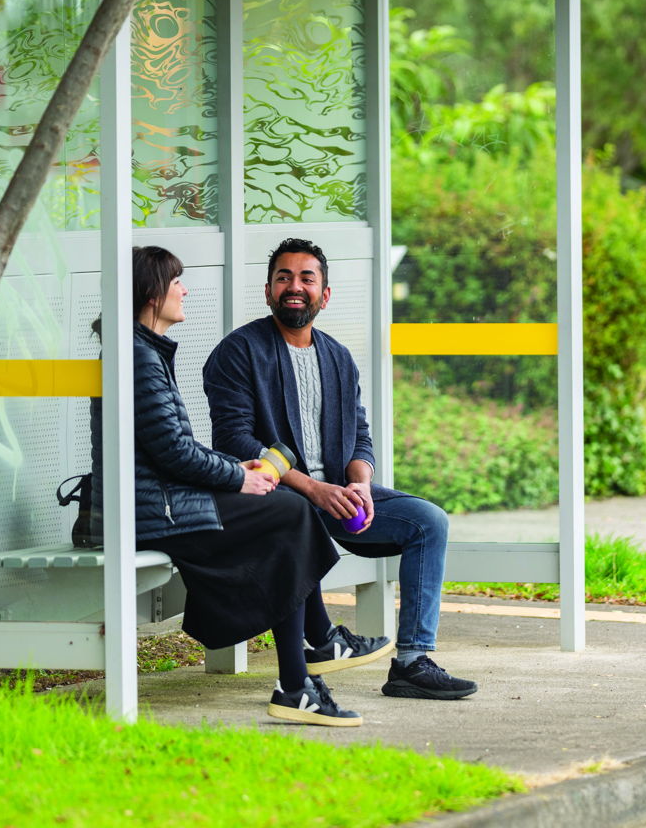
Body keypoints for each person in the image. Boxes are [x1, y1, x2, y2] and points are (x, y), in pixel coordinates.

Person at [93, 245, 360, 727]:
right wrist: (240, 477)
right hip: (152, 511)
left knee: (284, 512)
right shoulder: (135, 356)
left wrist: (242, 469)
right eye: (176, 282)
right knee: (289, 511)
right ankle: (305, 669)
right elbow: (173, 452)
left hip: (161, 502)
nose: (184, 290)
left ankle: (302, 675)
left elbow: (172, 447)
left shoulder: (144, 350)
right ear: (152, 292)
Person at [204, 238, 479, 700]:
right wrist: (313, 489)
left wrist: (360, 483)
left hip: (335, 496)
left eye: (306, 278)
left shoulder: (338, 358)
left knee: (429, 521)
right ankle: (320, 641)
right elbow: (234, 441)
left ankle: (412, 661)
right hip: (273, 499)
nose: (295, 286)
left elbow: (360, 439)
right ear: (268, 291)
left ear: (324, 294)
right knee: (296, 509)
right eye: (283, 278)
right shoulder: (239, 353)